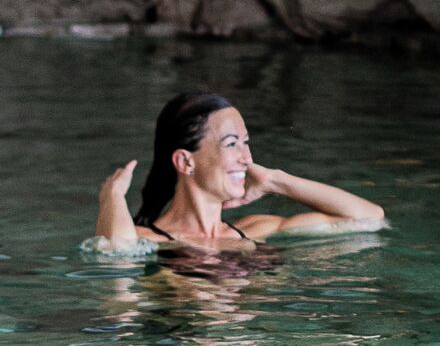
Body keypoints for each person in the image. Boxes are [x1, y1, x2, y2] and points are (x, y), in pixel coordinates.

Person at [96, 89, 387, 253]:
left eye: (246, 143)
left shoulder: (252, 230)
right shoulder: (150, 240)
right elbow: (116, 253)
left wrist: (277, 181)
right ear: (186, 162)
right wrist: (113, 199)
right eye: (231, 143)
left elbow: (368, 219)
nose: (246, 158)